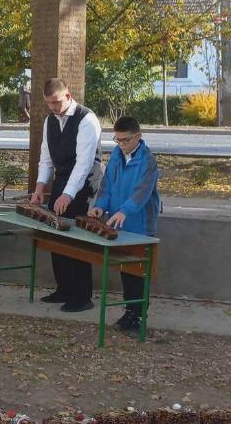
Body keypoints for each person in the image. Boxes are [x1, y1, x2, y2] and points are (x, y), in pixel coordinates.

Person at [30, 78, 103, 312]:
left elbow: (83, 164)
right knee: (56, 237)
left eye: (56, 102)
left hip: (84, 187)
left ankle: (82, 296)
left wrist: (68, 195)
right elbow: (46, 159)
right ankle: (64, 289)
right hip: (63, 182)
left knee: (78, 241)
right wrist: (40, 188)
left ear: (68, 96)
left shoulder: (87, 120)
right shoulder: (49, 121)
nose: (53, 107)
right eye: (49, 103)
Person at [89, 116, 160, 335]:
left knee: (138, 271)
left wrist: (124, 211)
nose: (121, 144)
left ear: (138, 137)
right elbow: (107, 186)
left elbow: (142, 192)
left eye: (126, 140)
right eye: (117, 140)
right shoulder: (116, 158)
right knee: (125, 270)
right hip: (118, 223)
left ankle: (139, 315)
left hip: (140, 223)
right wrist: (100, 206)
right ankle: (129, 311)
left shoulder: (148, 161)